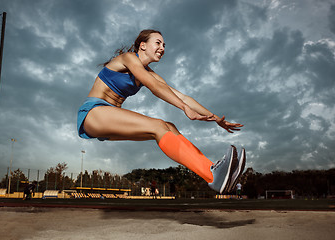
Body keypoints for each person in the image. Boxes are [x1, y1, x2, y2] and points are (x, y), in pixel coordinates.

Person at [77, 29, 245, 194]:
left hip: (108, 119)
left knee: (168, 127)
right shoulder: (128, 58)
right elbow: (154, 87)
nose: (162, 48)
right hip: (93, 113)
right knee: (158, 126)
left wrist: (216, 118)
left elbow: (183, 97)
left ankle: (213, 176)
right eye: (157, 43)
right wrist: (184, 108)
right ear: (142, 45)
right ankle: (213, 175)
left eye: (164, 45)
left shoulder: (150, 73)